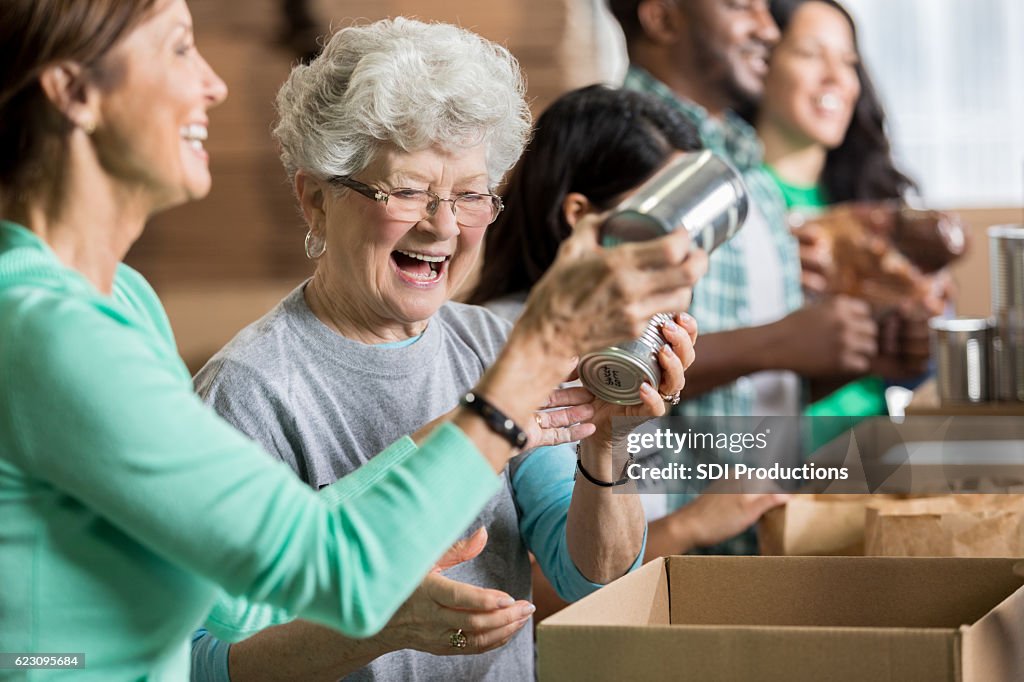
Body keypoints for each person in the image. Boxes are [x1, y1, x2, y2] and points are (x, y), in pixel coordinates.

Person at [0, 2, 703, 679]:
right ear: (315, 199)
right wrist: (532, 358)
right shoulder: (60, 334)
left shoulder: (123, 298)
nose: (213, 83)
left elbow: (251, 582)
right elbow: (308, 584)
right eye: (180, 46)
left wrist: (590, 434)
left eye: (470, 195)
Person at [607, 0, 891, 555]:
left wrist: (850, 357)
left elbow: (751, 389)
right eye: (742, 6)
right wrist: (781, 342)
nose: (766, 28)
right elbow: (613, 369)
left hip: (758, 538)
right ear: (662, 18)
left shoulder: (749, 171)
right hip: (672, 555)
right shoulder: (622, 159)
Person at [470, 83, 785, 564]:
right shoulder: (506, 344)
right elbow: (527, 583)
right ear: (580, 217)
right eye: (660, 216)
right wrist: (692, 525)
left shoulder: (626, 345)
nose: (678, 251)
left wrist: (612, 438)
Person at [753, 0, 931, 428]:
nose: (836, 77)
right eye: (811, 55)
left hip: (877, 443)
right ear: (760, 63)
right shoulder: (742, 206)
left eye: (848, 61)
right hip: (770, 456)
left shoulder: (874, 199)